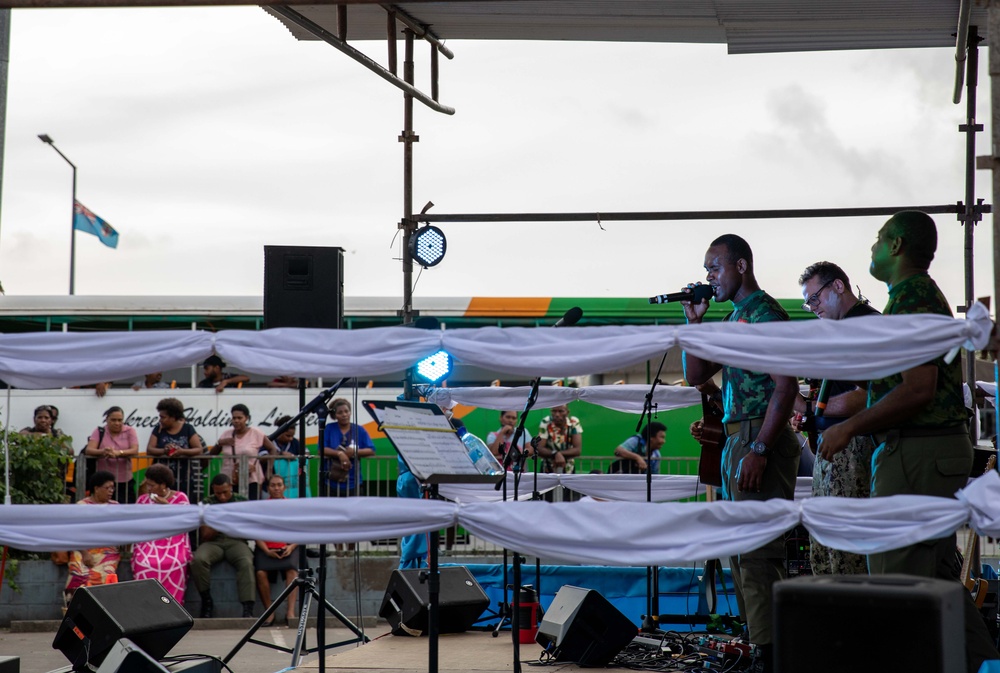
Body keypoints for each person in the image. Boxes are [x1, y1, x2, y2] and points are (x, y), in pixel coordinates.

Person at [818, 211, 999, 673]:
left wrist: (849, 427)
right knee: (936, 581)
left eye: (879, 239)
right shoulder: (908, 296)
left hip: (918, 450)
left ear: (897, 246)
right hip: (922, 451)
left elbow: (917, 389)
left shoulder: (914, 295)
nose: (872, 248)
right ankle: (985, 666)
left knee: (896, 585)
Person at [681, 233, 799, 670]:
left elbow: (785, 386)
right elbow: (696, 374)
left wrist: (761, 448)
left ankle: (770, 653)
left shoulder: (766, 315)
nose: (709, 277)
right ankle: (759, 645)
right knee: (740, 550)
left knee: (758, 554)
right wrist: (695, 323)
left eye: (715, 267)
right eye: (707, 270)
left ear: (742, 266)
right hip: (736, 438)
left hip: (758, 438)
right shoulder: (733, 319)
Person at [793, 261, 879, 575]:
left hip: (856, 448)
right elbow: (827, 394)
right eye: (808, 302)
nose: (811, 307)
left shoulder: (866, 325)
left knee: (848, 555)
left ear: (838, 286)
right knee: (825, 553)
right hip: (832, 449)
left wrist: (812, 411)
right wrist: (809, 418)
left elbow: (869, 397)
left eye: (814, 299)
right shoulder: (837, 330)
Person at [191, 473, 256, 618]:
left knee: (246, 562)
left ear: (231, 487)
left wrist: (219, 519)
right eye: (218, 493)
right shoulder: (207, 503)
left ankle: (248, 607)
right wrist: (224, 520)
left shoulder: (241, 501)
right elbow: (205, 535)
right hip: (214, 542)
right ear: (213, 490)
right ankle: (206, 601)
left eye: (225, 492)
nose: (221, 497)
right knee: (199, 560)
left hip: (236, 540)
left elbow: (247, 530)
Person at [132, 463, 192, 604]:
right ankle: (146, 606)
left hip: (174, 541)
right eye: (148, 485)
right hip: (149, 541)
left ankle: (174, 606)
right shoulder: (143, 500)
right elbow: (137, 524)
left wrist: (167, 506)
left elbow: (187, 521)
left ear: (163, 484)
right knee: (143, 562)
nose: (149, 488)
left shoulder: (180, 498)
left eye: (152, 485)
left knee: (177, 562)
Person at [64, 470, 120, 603]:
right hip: (83, 548)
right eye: (107, 488)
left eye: (112, 487)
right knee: (78, 575)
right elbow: (74, 532)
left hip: (108, 550)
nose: (111, 491)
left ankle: (104, 611)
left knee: (105, 575)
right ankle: (77, 613)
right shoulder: (81, 506)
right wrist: (84, 553)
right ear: (96, 488)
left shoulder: (116, 506)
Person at [254, 475, 299, 627]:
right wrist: (266, 551)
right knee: (260, 573)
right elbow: (256, 533)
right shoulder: (262, 507)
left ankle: (290, 612)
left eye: (279, 485)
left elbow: (300, 531)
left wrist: (291, 546)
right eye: (273, 485)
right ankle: (269, 613)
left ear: (284, 488)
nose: (276, 488)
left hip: (287, 547)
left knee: (292, 572)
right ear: (268, 488)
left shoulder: (292, 507)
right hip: (266, 549)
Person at [209, 403, 276, 501]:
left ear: (246, 418)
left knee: (251, 506)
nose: (236, 421)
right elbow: (212, 454)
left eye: (239, 418)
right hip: (229, 480)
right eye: (234, 418)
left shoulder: (256, 433)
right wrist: (220, 443)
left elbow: (272, 449)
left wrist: (269, 469)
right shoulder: (226, 434)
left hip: (251, 478)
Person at [147, 397, 204, 499]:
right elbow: (150, 449)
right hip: (161, 480)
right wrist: (164, 451)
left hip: (184, 477)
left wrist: (182, 451)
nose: (160, 420)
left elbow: (199, 449)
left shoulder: (187, 428)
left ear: (173, 417)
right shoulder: (158, 429)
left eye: (163, 417)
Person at [83, 406, 140, 504]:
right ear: (106, 419)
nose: (117, 423)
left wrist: (119, 453)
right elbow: (89, 450)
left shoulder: (130, 431)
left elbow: (135, 450)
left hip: (124, 481)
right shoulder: (99, 431)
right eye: (113, 420)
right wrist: (103, 451)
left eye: (120, 420)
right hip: (103, 481)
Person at [322, 398, 375, 497]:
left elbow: (371, 450)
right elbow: (321, 449)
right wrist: (340, 454)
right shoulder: (329, 428)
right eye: (340, 412)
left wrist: (355, 452)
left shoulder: (359, 430)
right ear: (335, 415)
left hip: (353, 483)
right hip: (332, 482)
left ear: (350, 412)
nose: (344, 415)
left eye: (346, 411)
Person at [265, 415, 310, 498]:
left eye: (292, 436)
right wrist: (281, 455)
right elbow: (262, 456)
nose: (291, 439)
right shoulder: (268, 440)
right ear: (280, 432)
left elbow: (307, 453)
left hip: (290, 487)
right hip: (269, 482)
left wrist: (294, 457)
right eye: (288, 436)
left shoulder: (295, 442)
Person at [535, 405, 582, 474]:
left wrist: (558, 454)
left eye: (561, 411)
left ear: (567, 412)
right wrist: (555, 454)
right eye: (554, 411)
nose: (557, 414)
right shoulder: (546, 422)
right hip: (547, 469)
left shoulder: (573, 422)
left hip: (568, 469)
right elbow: (539, 448)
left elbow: (577, 450)